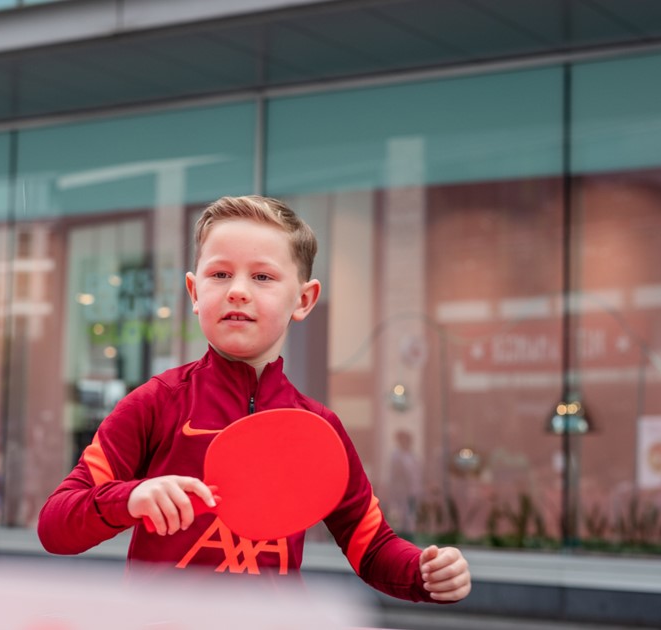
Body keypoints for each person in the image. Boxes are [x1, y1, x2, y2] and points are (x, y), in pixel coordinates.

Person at [37, 195, 471, 603]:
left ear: (304, 299)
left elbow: (372, 548)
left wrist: (424, 572)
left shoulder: (319, 427)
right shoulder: (154, 403)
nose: (237, 290)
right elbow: (55, 525)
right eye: (219, 274)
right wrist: (129, 498)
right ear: (193, 292)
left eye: (262, 276)